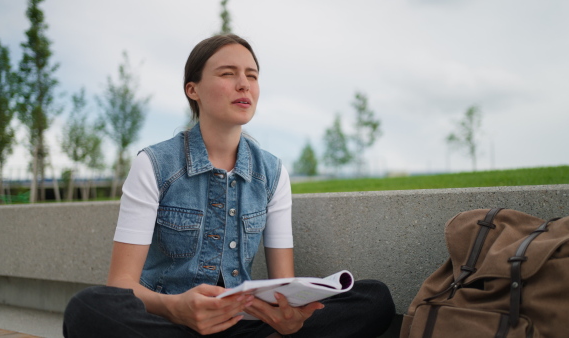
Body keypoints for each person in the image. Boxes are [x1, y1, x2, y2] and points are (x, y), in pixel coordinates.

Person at [63, 34, 395, 338]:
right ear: (193, 89)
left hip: (244, 327)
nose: (244, 85)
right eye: (227, 74)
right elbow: (121, 285)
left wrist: (289, 316)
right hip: (171, 325)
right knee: (88, 308)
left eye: (252, 75)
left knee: (374, 298)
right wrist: (176, 307)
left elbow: (285, 282)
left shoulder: (272, 172)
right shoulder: (153, 164)